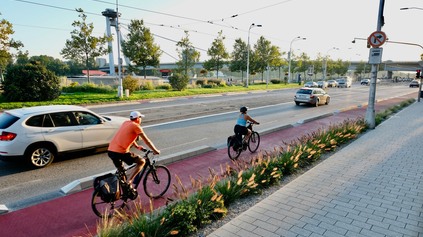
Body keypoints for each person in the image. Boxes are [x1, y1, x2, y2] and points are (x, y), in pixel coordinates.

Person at [107, 111, 160, 187]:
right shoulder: (136, 126)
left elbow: (127, 136)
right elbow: (147, 141)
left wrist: (137, 146)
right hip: (120, 152)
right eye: (140, 117)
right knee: (142, 161)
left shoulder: (126, 123)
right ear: (138, 118)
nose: (141, 119)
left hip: (111, 150)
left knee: (122, 172)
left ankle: (125, 191)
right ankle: (129, 181)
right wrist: (155, 150)